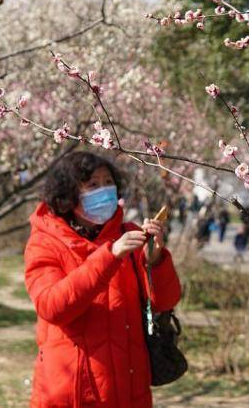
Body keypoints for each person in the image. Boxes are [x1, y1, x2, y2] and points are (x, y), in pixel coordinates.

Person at [24, 151, 181, 408]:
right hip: (72, 390)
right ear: (68, 194)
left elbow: (165, 301)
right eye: (92, 184)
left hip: (130, 387)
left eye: (108, 182)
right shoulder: (45, 242)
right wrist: (109, 256)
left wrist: (156, 261)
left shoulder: (130, 234)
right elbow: (51, 306)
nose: (104, 190)